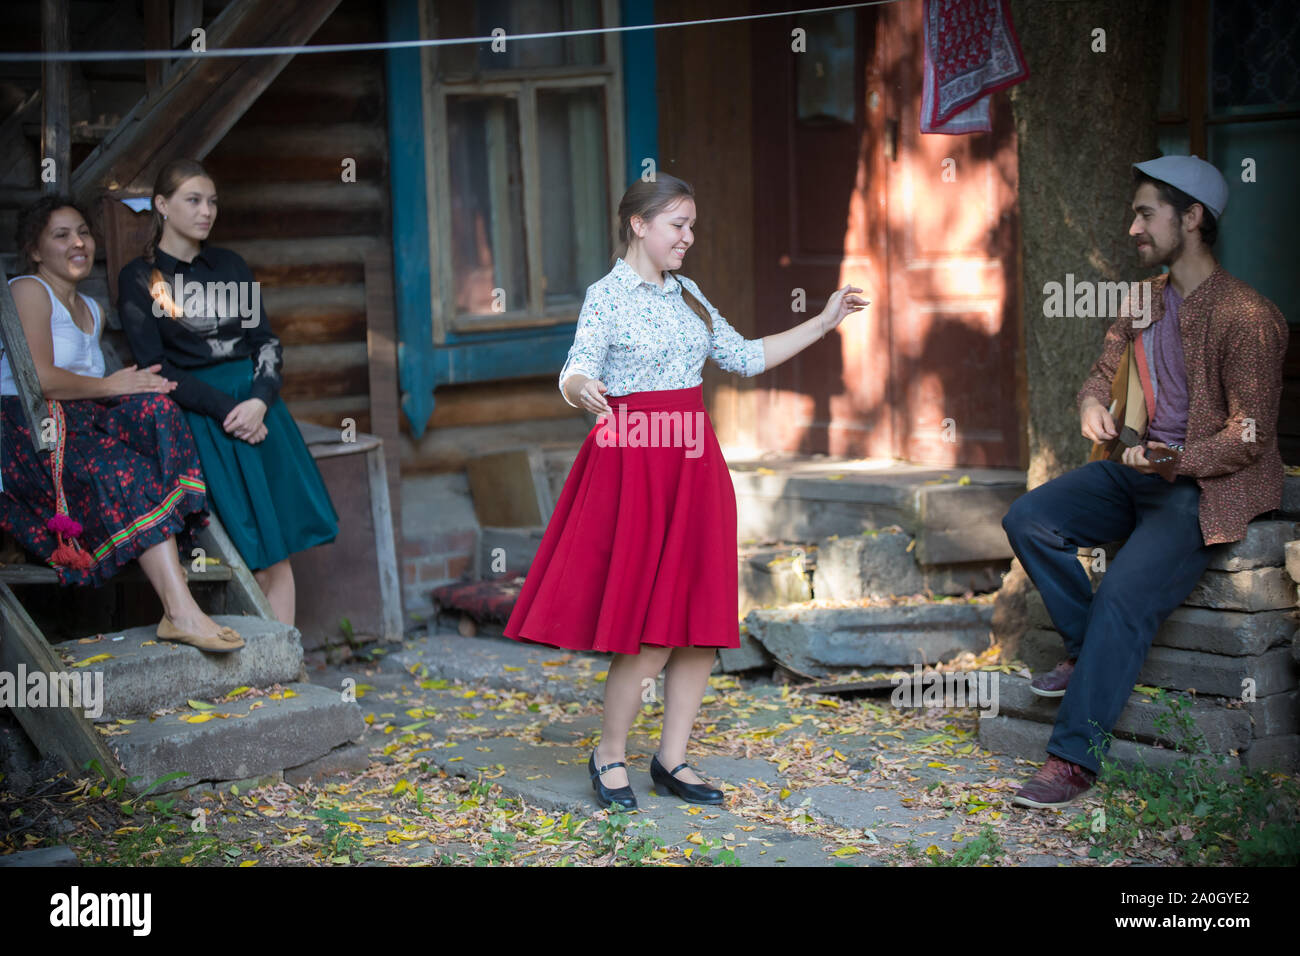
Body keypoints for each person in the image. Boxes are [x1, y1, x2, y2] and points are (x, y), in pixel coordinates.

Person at [504, 173, 868, 809]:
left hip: (694, 466)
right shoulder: (606, 296)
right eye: (678, 225)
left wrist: (824, 321)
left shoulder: (690, 294)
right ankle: (609, 753)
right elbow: (576, 368)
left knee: (698, 621)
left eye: (692, 226)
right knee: (648, 629)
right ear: (639, 226)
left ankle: (672, 759)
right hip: (635, 467)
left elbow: (746, 356)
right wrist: (582, 389)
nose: (688, 238)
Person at [1002, 156, 1288, 808]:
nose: (1133, 225)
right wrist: (1089, 407)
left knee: (1123, 597)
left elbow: (1252, 437)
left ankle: (1073, 762)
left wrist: (1173, 463)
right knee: (1028, 518)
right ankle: (1083, 648)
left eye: (1146, 212)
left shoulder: (1249, 316)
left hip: (1204, 487)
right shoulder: (1144, 300)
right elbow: (1098, 378)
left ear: (1191, 218)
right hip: (1140, 471)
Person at [0, 194, 243, 653]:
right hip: (31, 433)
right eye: (62, 235)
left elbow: (98, 388)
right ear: (34, 250)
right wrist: (114, 387)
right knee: (119, 473)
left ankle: (170, 520)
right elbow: (41, 379)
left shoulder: (92, 309)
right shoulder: (28, 289)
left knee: (159, 410)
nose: (79, 242)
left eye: (84, 233)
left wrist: (138, 388)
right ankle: (180, 612)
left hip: (80, 422)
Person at [117, 158, 338, 628]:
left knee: (277, 548)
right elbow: (158, 367)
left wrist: (259, 401)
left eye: (212, 201)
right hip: (204, 417)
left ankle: (285, 664)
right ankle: (249, 666)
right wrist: (227, 412)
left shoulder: (231, 264)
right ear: (162, 205)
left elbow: (267, 342)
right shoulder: (140, 279)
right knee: (243, 546)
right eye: (193, 200)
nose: (207, 211)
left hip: (261, 410)